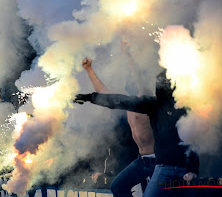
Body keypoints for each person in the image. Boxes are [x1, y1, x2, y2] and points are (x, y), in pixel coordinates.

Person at [75, 69, 199, 197]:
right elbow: (119, 100)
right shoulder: (153, 104)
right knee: (118, 186)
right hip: (161, 166)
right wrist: (90, 97)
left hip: (180, 167)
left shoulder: (186, 108)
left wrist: (193, 169)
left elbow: (195, 140)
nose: (161, 86)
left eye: (164, 83)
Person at [82, 53, 156, 197]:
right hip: (142, 160)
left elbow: (140, 80)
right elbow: (103, 92)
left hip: (157, 160)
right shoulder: (127, 103)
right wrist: (89, 69)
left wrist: (129, 55)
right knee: (118, 186)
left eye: (132, 78)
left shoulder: (147, 101)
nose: (129, 82)